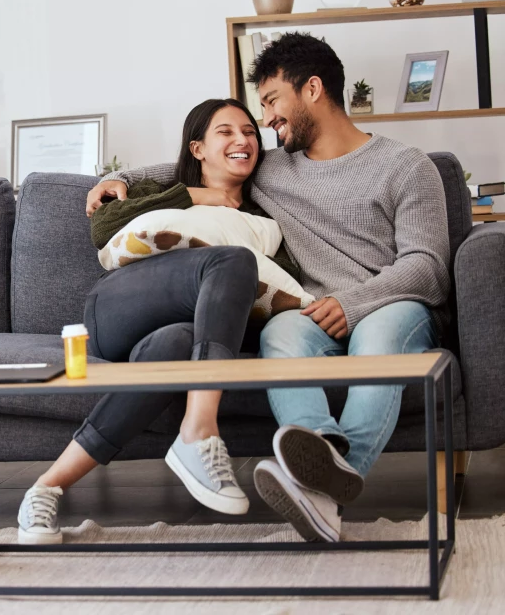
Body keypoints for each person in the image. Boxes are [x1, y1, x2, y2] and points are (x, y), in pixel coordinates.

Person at [94, 33, 451, 544]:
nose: (265, 121)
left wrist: (353, 303)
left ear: (311, 89)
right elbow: (200, 163)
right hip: (310, 313)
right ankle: (319, 458)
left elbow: (428, 266)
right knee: (280, 334)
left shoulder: (408, 166)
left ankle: (326, 488)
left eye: (270, 102)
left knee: (380, 336)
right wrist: (122, 180)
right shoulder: (271, 168)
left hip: (392, 304)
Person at [17, 98, 300, 544]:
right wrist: (196, 195)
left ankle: (45, 487)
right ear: (197, 149)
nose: (242, 140)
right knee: (231, 261)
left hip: (185, 332)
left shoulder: (263, 222)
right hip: (123, 308)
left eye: (249, 131)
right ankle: (200, 430)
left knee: (173, 345)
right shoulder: (168, 194)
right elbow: (103, 226)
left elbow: (278, 292)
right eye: (225, 132)